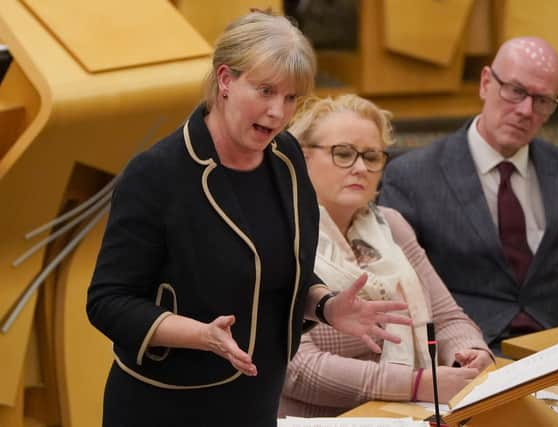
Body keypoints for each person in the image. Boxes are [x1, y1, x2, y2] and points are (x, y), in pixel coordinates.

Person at [86, 12, 411, 427]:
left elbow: (279, 269)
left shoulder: (288, 158)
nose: (278, 113)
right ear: (225, 80)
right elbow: (107, 302)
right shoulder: (156, 174)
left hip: (255, 401)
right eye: (265, 91)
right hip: (165, 406)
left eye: (292, 98)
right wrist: (200, 335)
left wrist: (326, 305)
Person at [379, 37, 558, 353]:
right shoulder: (413, 176)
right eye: (516, 91)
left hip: (556, 358)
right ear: (485, 83)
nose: (525, 110)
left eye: (543, 100)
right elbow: (400, 295)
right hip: (465, 358)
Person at [278, 95, 492, 418]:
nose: (360, 168)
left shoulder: (391, 225)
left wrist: (471, 352)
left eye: (371, 156)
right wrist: (415, 383)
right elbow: (299, 369)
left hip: (406, 414)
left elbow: (448, 318)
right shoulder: (279, 235)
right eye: (344, 154)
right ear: (303, 158)